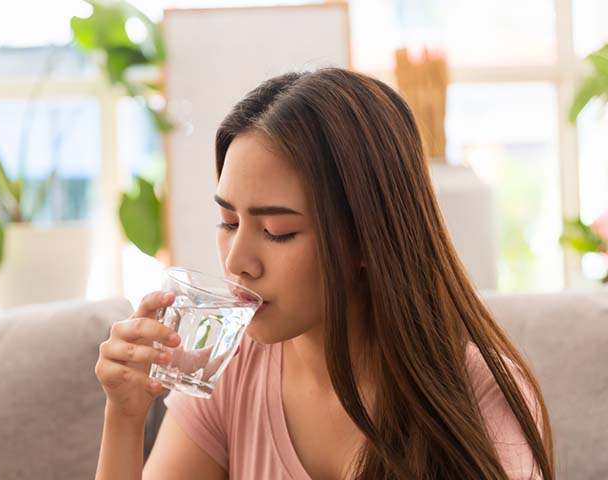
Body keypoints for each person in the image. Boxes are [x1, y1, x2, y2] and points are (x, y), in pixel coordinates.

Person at [93, 67, 554, 479]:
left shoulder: (480, 397)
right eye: (230, 223)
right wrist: (125, 417)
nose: (237, 260)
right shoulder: (230, 373)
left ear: (365, 239)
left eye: (277, 231)